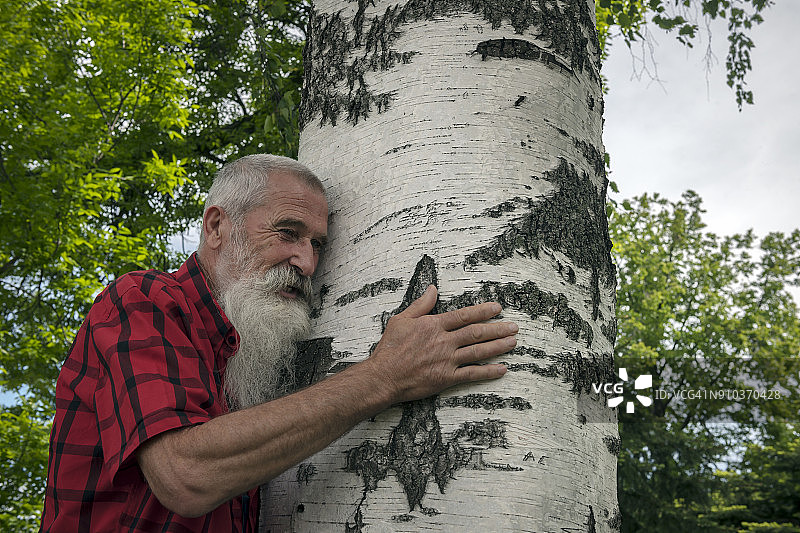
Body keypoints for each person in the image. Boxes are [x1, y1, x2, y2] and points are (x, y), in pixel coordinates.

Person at [41, 154, 518, 532]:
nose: (306, 263)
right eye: (287, 233)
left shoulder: (257, 351)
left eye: (318, 245)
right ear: (215, 226)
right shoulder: (145, 300)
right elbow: (185, 474)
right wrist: (385, 376)